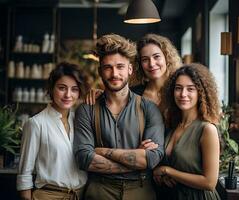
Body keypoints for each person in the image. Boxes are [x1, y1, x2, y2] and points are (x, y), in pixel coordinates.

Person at [73, 33, 165, 200]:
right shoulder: (86, 109)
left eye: (120, 66)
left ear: (130, 69)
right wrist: (137, 161)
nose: (114, 73)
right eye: (108, 67)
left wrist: (102, 151)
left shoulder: (149, 108)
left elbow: (152, 157)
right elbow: (84, 158)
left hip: (141, 190)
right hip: (99, 191)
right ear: (100, 71)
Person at [17, 62, 88, 200]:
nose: (68, 94)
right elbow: (24, 173)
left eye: (74, 89)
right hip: (48, 196)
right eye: (62, 88)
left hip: (80, 195)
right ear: (51, 88)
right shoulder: (36, 123)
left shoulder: (80, 120)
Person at [153, 63, 221, 200]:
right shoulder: (172, 125)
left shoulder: (207, 129)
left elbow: (210, 182)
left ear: (200, 92)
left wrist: (168, 171)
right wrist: (159, 174)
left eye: (190, 89)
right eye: (178, 88)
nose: (183, 94)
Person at [86, 33, 182, 110]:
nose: (152, 64)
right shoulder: (134, 93)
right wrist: (101, 96)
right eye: (145, 59)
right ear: (139, 64)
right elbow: (115, 99)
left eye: (156, 57)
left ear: (167, 58)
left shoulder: (180, 90)